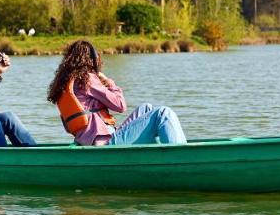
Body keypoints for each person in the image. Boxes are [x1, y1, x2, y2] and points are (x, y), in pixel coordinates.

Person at [46, 39, 186, 145]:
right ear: (92, 60)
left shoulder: (67, 83)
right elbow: (120, 105)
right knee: (163, 113)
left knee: (147, 108)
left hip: (92, 140)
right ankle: (179, 157)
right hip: (107, 143)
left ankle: (154, 156)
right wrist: (109, 82)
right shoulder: (87, 78)